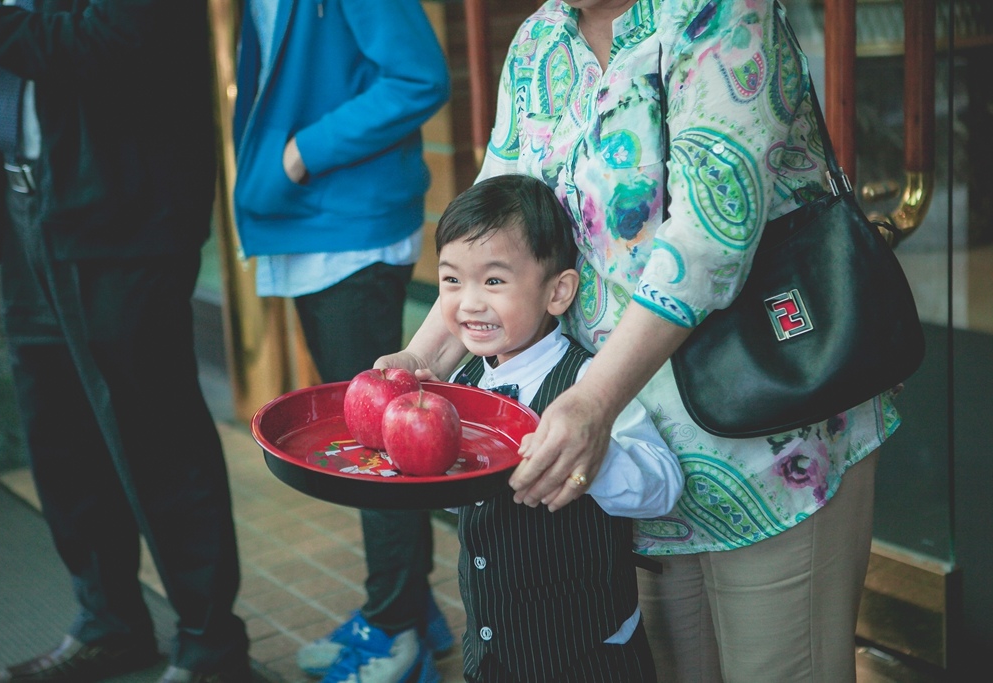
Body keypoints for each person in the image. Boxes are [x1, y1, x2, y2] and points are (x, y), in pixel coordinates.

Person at [377, 1, 902, 681]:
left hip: (767, 444)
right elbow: (493, 233)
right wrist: (422, 362)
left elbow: (711, 238)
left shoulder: (720, 13)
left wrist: (592, 400)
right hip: (631, 462)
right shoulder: (540, 40)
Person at [0, 1, 250, 682]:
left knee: (156, 435)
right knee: (59, 436)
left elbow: (116, 41)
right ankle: (109, 622)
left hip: (120, 215)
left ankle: (211, 645)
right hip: (24, 204)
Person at [229, 1, 452, 682]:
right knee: (370, 441)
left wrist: (301, 153)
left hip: (349, 226)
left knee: (377, 447)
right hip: (316, 222)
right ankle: (410, 609)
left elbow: (419, 77)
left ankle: (396, 634)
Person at [428, 174, 684, 683]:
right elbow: (461, 501)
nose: (470, 302)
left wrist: (593, 453)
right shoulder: (462, 382)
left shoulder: (588, 385)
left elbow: (663, 488)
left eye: (494, 281)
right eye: (452, 280)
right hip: (494, 650)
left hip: (589, 655)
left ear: (558, 291)